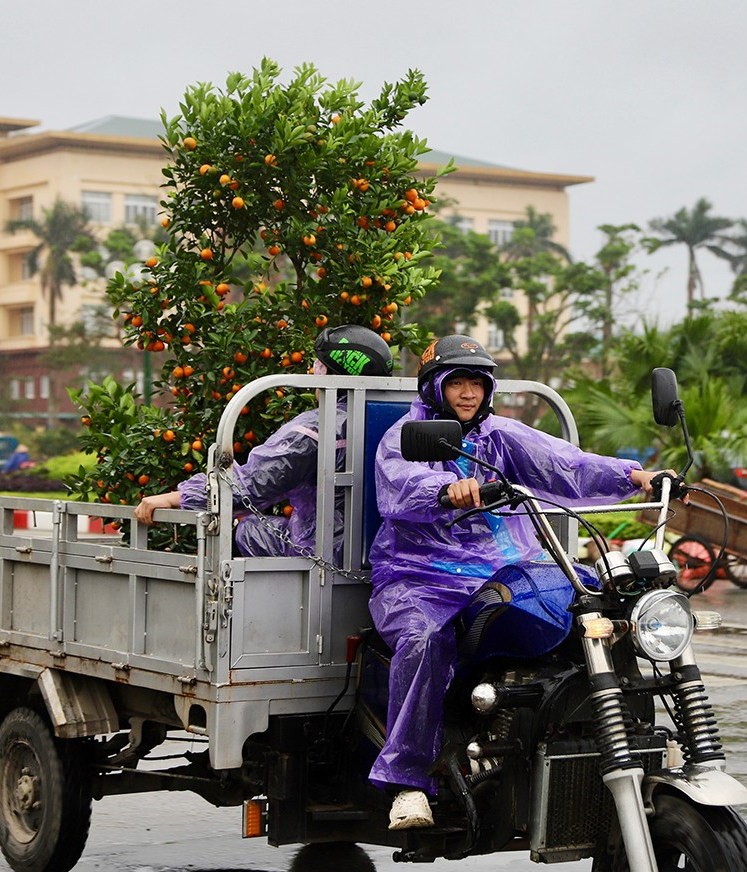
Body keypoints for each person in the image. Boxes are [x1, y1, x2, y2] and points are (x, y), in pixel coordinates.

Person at [368, 334, 668, 830]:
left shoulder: (500, 436)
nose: (468, 394)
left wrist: (634, 477)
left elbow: (565, 464)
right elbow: (401, 484)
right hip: (420, 576)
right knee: (424, 640)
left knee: (607, 602)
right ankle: (407, 779)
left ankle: (622, 738)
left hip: (502, 572)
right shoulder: (409, 435)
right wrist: (447, 490)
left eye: (477, 385)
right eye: (457, 383)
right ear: (435, 387)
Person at [133, 324, 394, 559]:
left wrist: (173, 498)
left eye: (317, 366)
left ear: (327, 373)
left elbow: (249, 488)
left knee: (247, 529)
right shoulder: (396, 420)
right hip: (382, 550)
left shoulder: (316, 430)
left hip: (326, 555)